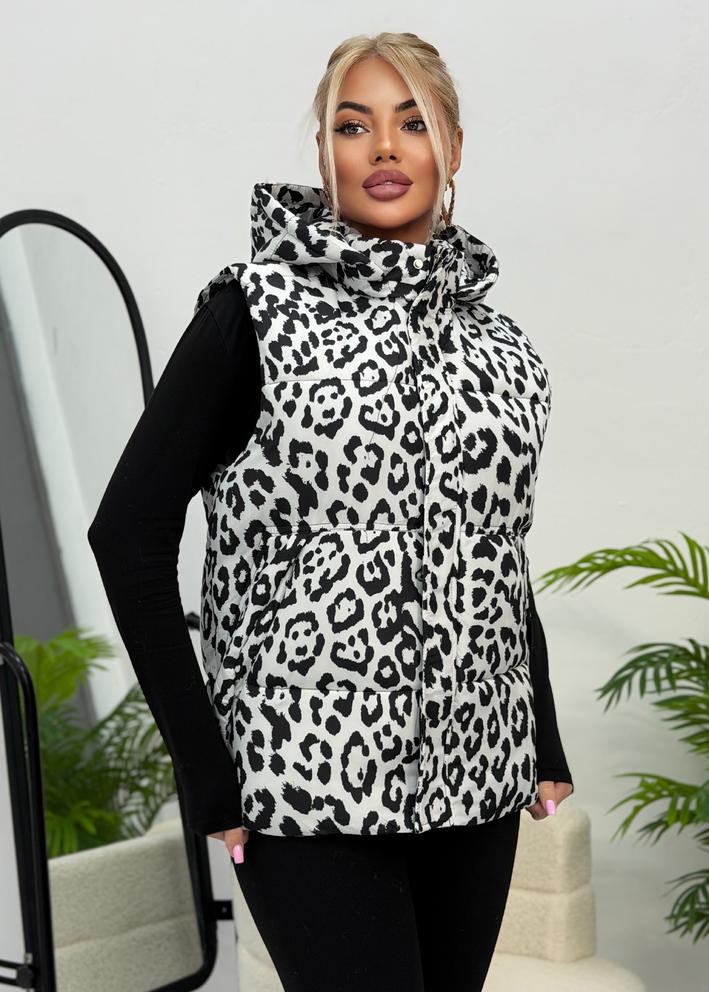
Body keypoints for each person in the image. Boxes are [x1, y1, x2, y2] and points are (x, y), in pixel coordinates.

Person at [88, 31, 573, 992]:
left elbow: (498, 555)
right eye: (353, 126)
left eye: (412, 123)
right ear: (323, 152)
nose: (383, 148)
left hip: (478, 771)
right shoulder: (253, 313)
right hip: (303, 774)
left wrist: (541, 740)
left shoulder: (504, 348)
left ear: (453, 148)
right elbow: (127, 535)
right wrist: (206, 770)